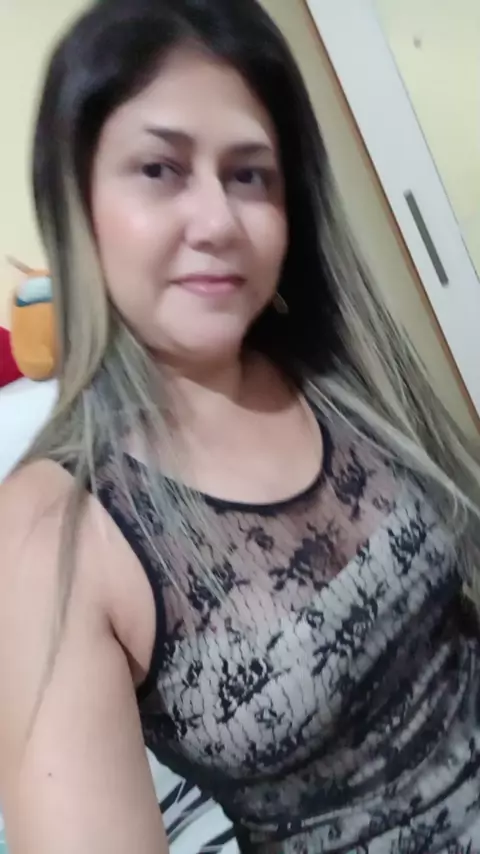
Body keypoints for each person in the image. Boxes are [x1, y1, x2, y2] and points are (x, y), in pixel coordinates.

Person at [1, 0, 480, 851]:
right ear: (77, 199)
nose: (218, 222)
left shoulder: (337, 374)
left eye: (250, 174)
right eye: (160, 169)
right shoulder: (51, 533)